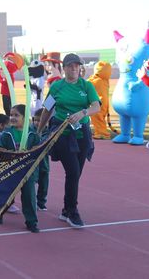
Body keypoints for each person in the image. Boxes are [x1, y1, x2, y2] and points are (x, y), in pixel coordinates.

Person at [37, 53, 100, 228]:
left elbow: (96, 106)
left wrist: (83, 113)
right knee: (72, 171)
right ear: (63, 68)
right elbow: (48, 109)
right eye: (70, 66)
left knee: (76, 173)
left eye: (76, 66)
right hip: (62, 133)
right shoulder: (57, 87)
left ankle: (66, 209)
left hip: (82, 135)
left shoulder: (86, 86)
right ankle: (73, 211)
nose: (74, 69)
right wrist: (40, 130)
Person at [0, 104, 40, 233]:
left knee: (29, 196)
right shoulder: (7, 133)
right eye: (11, 115)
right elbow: (0, 149)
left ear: (25, 117)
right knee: (7, 195)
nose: (13, 118)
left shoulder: (32, 134)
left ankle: (31, 221)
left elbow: (38, 151)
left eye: (16, 115)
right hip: (11, 171)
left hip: (27, 172)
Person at [87, 61, 112, 139]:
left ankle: (102, 133)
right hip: (103, 103)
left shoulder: (97, 80)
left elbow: (88, 83)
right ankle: (100, 132)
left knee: (98, 120)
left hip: (98, 103)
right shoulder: (104, 80)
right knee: (100, 120)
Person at [33, 108, 50, 211]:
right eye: (36, 120)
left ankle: (41, 201)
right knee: (32, 183)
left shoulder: (49, 132)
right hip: (33, 164)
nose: (38, 123)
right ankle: (32, 201)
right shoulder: (30, 131)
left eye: (41, 120)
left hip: (44, 163)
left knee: (44, 184)